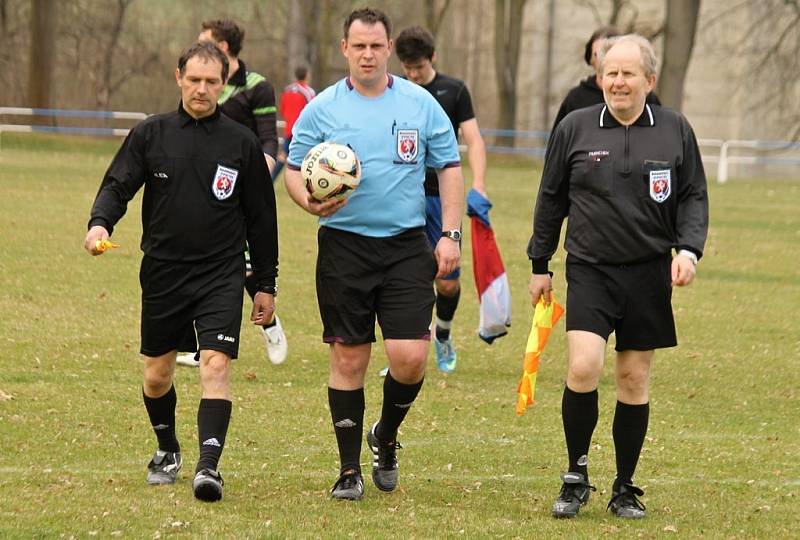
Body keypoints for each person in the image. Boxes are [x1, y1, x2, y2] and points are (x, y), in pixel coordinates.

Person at [83, 41, 279, 503]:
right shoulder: (152, 134)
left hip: (221, 274)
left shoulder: (242, 144)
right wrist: (98, 224)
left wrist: (264, 285)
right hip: (164, 272)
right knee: (157, 375)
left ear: (223, 84)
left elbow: (262, 221)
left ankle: (208, 468)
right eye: (194, 80)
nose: (202, 89)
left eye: (212, 82)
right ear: (178, 78)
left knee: (215, 365)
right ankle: (167, 448)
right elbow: (118, 185)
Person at [283, 7, 463, 501]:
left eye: (375, 46)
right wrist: (309, 201)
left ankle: (385, 435)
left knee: (410, 359)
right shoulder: (321, 108)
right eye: (358, 46)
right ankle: (348, 471)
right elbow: (294, 170)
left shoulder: (421, 104)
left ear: (389, 49)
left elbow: (449, 165)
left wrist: (450, 234)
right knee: (350, 357)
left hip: (406, 246)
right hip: (344, 245)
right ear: (345, 49)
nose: (367, 53)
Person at [527, 34, 708, 519]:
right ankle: (576, 474)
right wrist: (540, 264)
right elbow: (551, 198)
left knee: (633, 377)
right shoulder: (575, 127)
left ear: (649, 80)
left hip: (649, 272)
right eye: (611, 73)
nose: (618, 82)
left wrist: (688, 251)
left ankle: (624, 486)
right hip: (590, 269)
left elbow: (693, 195)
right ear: (599, 77)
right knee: (584, 366)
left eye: (629, 74)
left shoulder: (674, 129)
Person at [176, 19, 287, 367]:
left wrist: (258, 175)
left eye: (204, 41)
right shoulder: (199, 83)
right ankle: (201, 343)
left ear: (223, 48)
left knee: (242, 267)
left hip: (239, 189)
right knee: (197, 259)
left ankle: (269, 323)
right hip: (199, 189)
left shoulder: (257, 87)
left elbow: (269, 139)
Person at [393, 25, 487, 373]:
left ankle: (443, 333)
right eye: (407, 67)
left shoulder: (453, 90)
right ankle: (406, 349)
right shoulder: (395, 92)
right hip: (402, 196)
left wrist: (478, 184)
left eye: (418, 66)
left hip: (441, 197)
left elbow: (474, 140)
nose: (413, 74)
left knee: (446, 281)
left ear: (432, 58)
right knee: (407, 276)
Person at [551, 27, 660, 131]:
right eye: (596, 54)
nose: (602, 57)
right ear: (589, 59)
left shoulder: (647, 98)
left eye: (627, 73)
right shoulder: (576, 99)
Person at [273, 65, 316, 179]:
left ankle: (271, 179)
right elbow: (313, 112)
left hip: (289, 130)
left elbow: (282, 109)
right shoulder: (308, 92)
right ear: (307, 75)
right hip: (303, 131)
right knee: (310, 158)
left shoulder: (287, 90)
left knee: (283, 156)